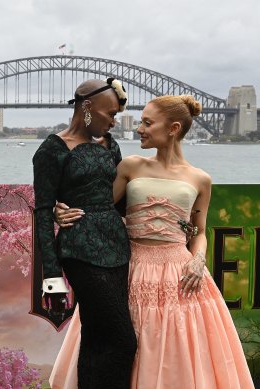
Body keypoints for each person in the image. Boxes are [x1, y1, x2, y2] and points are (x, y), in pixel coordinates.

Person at [51, 95, 254, 388]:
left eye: (147, 123)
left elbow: (198, 232)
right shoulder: (131, 166)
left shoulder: (200, 179)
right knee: (118, 341)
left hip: (180, 274)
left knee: (177, 350)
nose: (139, 129)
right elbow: (94, 207)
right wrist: (62, 209)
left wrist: (198, 259)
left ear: (172, 128)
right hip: (128, 268)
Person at [33, 78, 137, 389]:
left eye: (117, 116)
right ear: (87, 107)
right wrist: (50, 275)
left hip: (117, 250)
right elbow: (41, 211)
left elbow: (118, 200)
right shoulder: (52, 150)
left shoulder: (110, 145)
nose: (113, 123)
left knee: (97, 338)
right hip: (80, 253)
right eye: (110, 115)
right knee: (123, 340)